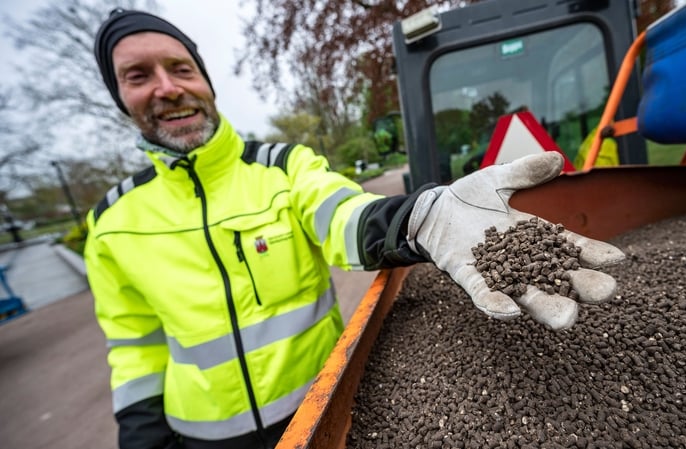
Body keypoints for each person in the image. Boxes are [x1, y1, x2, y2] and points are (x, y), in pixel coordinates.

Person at [86, 8, 625, 449]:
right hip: (205, 437)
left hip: (322, 406)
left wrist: (421, 216)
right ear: (119, 97)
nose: (167, 88)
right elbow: (134, 348)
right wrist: (145, 442)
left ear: (203, 79)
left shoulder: (282, 167)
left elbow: (342, 215)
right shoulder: (111, 221)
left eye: (180, 68)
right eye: (138, 76)